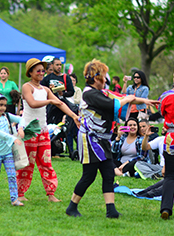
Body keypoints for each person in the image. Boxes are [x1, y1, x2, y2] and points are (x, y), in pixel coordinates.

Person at [65, 59, 158, 218]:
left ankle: (111, 210)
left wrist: (144, 101)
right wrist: (128, 99)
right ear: (96, 78)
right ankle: (72, 207)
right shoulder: (90, 93)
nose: (106, 80)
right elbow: (115, 104)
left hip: (102, 140)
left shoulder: (99, 92)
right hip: (90, 140)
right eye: (104, 77)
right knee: (89, 175)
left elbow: (121, 96)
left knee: (108, 174)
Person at [16, 58, 80, 203]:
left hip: (43, 130)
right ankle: (20, 193)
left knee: (46, 162)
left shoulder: (45, 90)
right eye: (37, 70)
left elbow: (60, 103)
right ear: (30, 72)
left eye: (43, 70)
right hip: (30, 130)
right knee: (27, 163)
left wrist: (74, 116)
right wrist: (50, 101)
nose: (41, 73)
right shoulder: (27, 87)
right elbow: (32, 104)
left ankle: (51, 193)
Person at [0, 93, 25, 206]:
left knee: (12, 175)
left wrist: (21, 128)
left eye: (4, 105)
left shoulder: (6, 116)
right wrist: (12, 138)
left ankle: (15, 199)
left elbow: (21, 119)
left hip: (8, 153)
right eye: (0, 105)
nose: (3, 107)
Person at [41, 57, 75, 124]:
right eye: (57, 65)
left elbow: (71, 92)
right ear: (52, 65)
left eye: (60, 65)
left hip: (62, 105)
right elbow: (41, 90)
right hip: (50, 106)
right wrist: (49, 90)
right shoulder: (47, 78)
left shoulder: (66, 77)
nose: (59, 67)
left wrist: (63, 94)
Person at [157, 88, 174, 219]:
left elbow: (160, 112)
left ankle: (166, 208)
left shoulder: (166, 96)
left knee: (169, 176)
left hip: (171, 138)